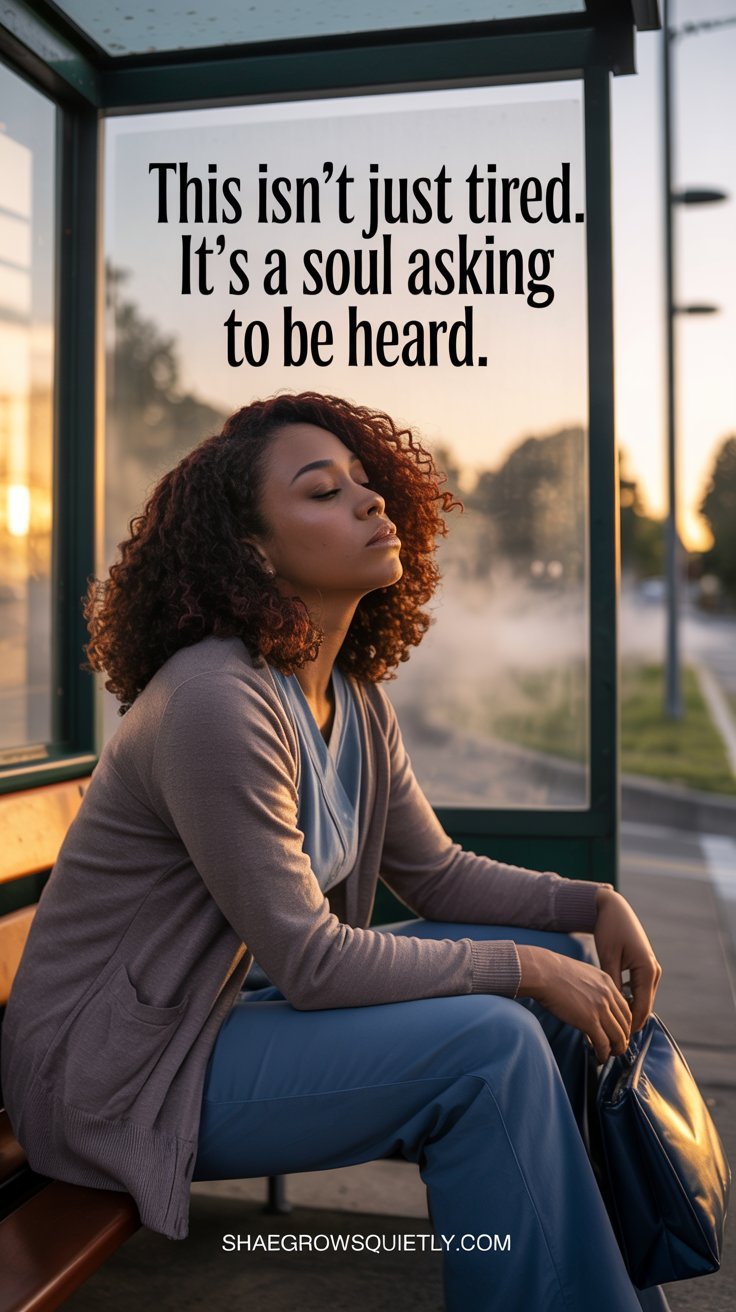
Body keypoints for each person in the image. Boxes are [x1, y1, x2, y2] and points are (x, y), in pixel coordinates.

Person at [2, 391, 669, 1311]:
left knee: (551, 976)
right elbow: (313, 962)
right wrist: (516, 970)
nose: (369, 502)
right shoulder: (214, 702)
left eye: (366, 482)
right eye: (324, 492)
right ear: (254, 552)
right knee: (493, 1044)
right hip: (116, 1075)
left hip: (218, 1023)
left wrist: (590, 904)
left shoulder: (350, 699)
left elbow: (435, 873)